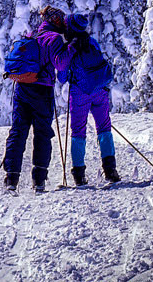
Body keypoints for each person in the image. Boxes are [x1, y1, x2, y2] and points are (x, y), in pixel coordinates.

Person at [2, 5, 74, 193]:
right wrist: (71, 47)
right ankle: (39, 179)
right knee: (42, 132)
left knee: (18, 131)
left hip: (22, 87)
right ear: (55, 21)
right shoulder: (53, 39)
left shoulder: (31, 35)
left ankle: (11, 177)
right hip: (42, 90)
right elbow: (61, 63)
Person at [62, 13, 119, 185]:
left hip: (80, 94)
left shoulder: (69, 48)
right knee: (104, 128)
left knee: (78, 131)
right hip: (100, 91)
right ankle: (110, 170)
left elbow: (62, 77)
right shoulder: (93, 42)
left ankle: (79, 175)